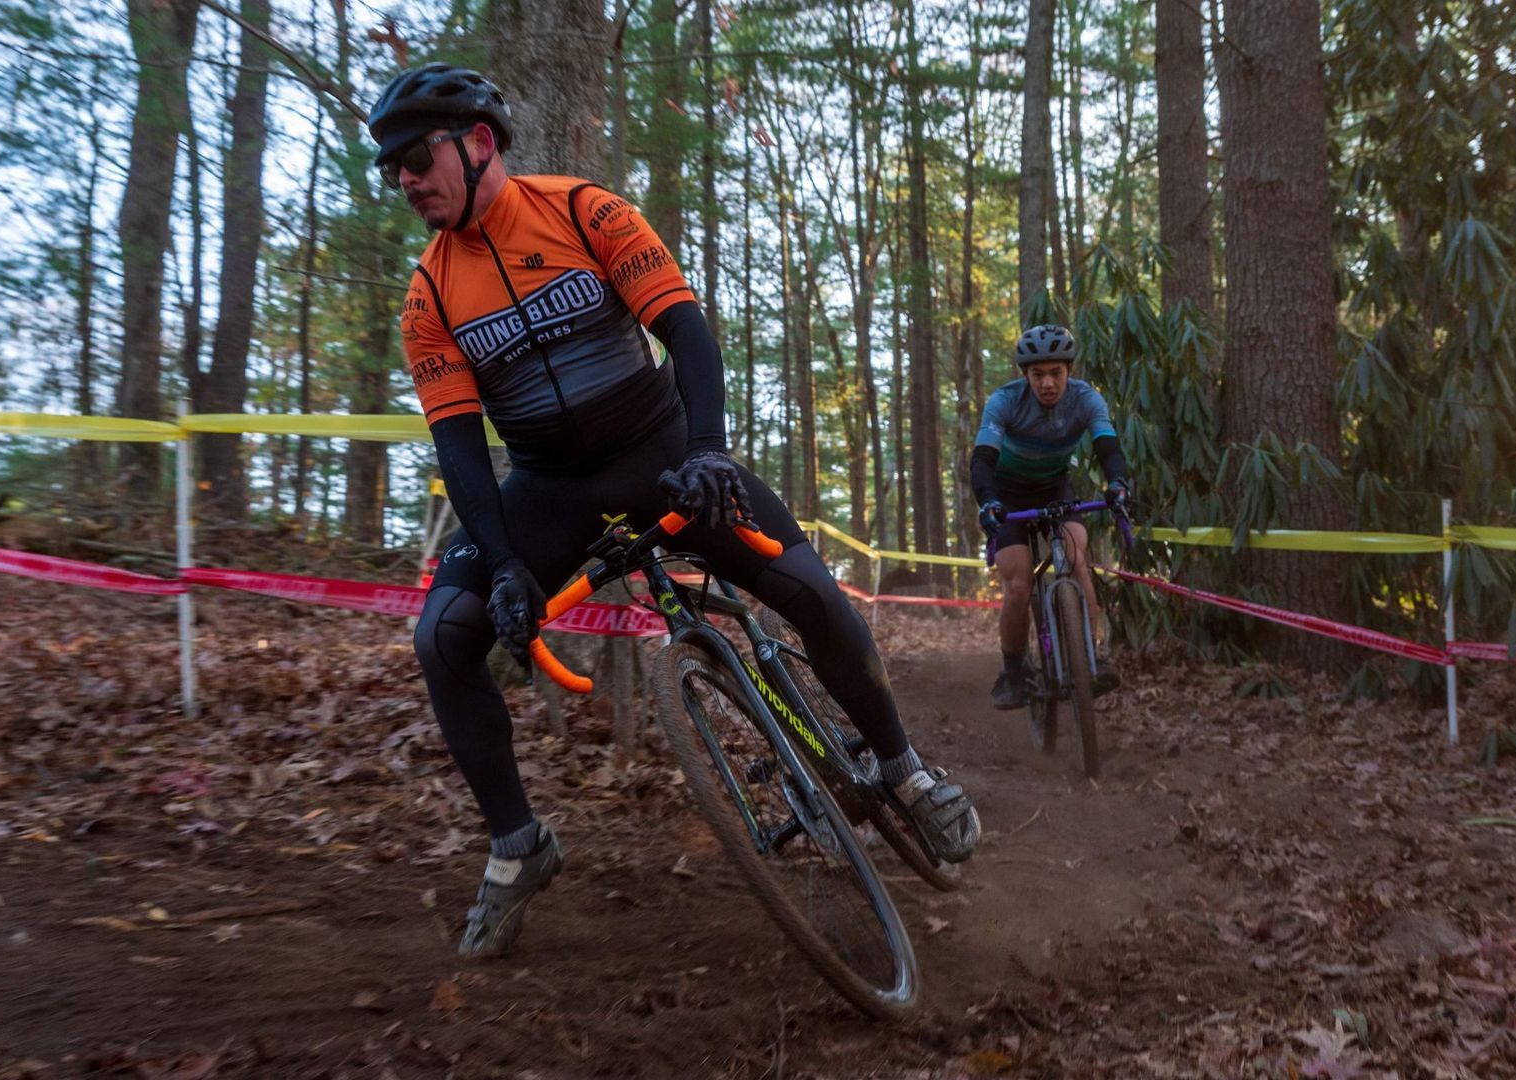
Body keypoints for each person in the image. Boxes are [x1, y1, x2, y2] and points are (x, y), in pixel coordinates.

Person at [375, 63, 981, 959]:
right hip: (549, 486)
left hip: (662, 453)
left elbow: (686, 330)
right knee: (444, 635)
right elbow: (461, 445)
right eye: (390, 168)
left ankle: (904, 767)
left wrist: (708, 451)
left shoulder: (586, 211)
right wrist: (503, 562)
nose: (405, 180)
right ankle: (518, 846)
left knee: (811, 593)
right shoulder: (429, 295)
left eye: (417, 157)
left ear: (478, 143)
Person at [971, 325, 1130, 710]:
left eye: (1055, 372)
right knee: (1019, 584)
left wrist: (1118, 483)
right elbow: (983, 459)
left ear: (1069, 371)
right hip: (1007, 493)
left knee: (1077, 559)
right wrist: (988, 500)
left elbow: (1108, 446)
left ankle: (1092, 657)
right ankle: (1012, 672)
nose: (1047, 382)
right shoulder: (1004, 402)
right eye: (1038, 374)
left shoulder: (1087, 399)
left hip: (1055, 487)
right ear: (1025, 374)